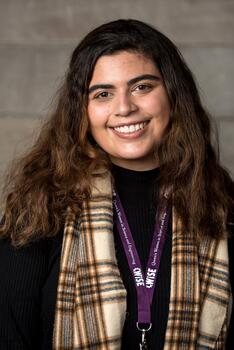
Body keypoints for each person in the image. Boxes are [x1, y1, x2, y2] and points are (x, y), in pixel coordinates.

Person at [0, 19, 233, 350]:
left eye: (142, 87)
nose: (124, 108)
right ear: (83, 110)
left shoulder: (222, 209)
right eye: (103, 93)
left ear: (172, 96)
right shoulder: (40, 210)